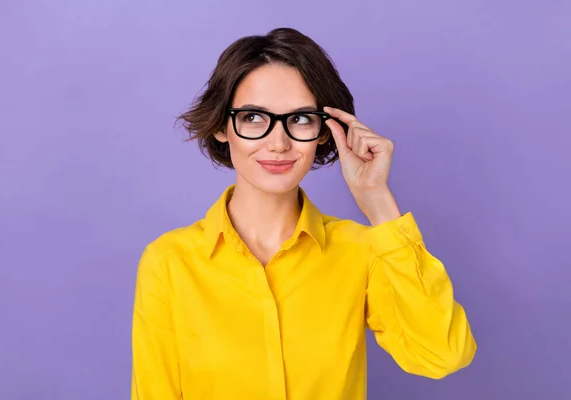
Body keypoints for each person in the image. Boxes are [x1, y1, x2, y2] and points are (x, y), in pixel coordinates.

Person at [131, 27, 476, 400]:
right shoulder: (168, 262)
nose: (278, 143)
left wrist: (376, 199)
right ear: (220, 126)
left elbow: (441, 355)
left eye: (299, 120)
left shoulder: (362, 251)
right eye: (252, 118)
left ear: (325, 131)